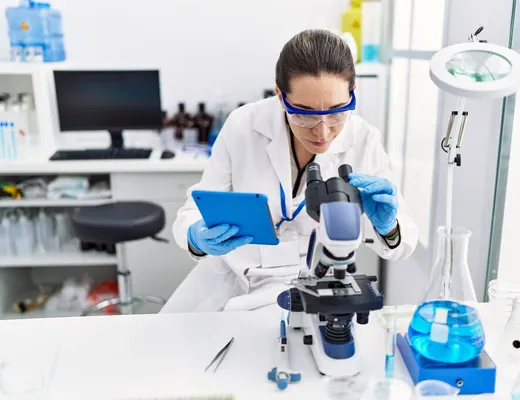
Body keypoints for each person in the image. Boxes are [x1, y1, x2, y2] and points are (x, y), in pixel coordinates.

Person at [161, 29, 418, 313]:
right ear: (280, 97)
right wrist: (197, 238)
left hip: (309, 288)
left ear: (352, 94)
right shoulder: (243, 125)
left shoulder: (363, 140)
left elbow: (403, 242)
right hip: (229, 283)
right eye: (304, 113)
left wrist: (389, 227)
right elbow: (193, 212)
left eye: (336, 111)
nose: (322, 131)